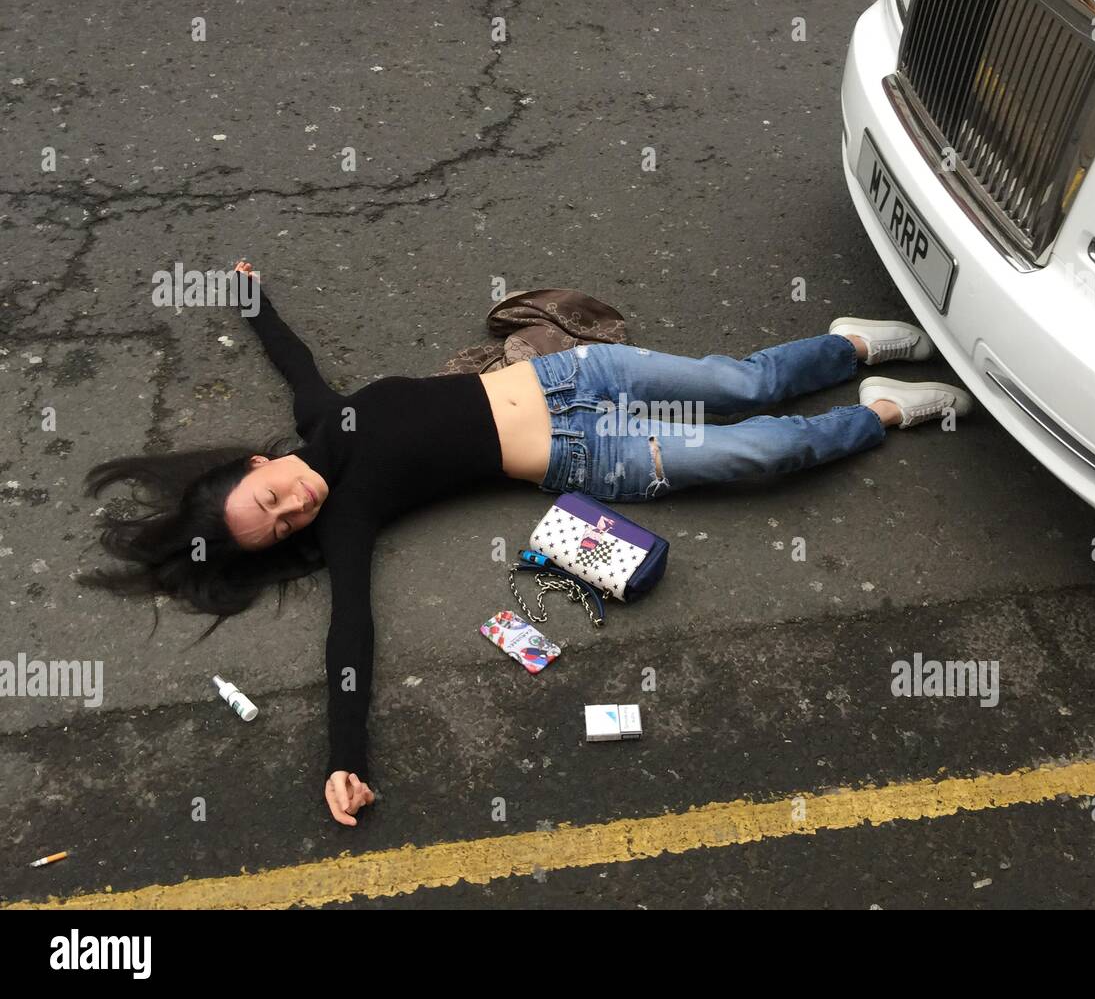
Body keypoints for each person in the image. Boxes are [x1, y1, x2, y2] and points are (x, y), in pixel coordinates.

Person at [82, 262, 971, 826]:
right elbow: (349, 638)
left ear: (257, 460)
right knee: (768, 449)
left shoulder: (323, 419)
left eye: (272, 494)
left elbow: (295, 360)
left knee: (740, 382)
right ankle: (882, 408)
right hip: (596, 454)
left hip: (577, 374)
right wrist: (344, 760)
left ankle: (850, 342)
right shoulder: (347, 522)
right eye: (280, 527)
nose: (295, 507)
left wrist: (251, 299)